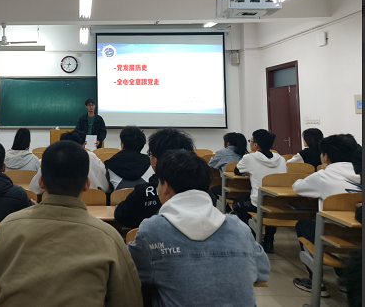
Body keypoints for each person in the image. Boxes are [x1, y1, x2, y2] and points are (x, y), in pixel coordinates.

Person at [0, 140, 143, 307]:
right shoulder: (110, 238)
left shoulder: (6, 228)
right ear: (86, 184)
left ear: (41, 182)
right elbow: (129, 300)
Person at [128, 149, 270, 307]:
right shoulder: (239, 227)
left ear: (165, 186)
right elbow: (263, 272)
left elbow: (129, 272)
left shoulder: (152, 230)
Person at [291, 134, 361, 296]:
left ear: (326, 156)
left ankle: (316, 281)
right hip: (359, 238)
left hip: (331, 238)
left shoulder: (323, 176)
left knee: (303, 224)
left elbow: (297, 187)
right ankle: (346, 280)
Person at [114, 128, 195, 229]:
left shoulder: (143, 192)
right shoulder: (201, 193)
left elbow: (121, 215)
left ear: (155, 161)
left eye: (150, 153)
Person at [232, 129, 287, 254]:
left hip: (258, 203)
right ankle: (269, 241)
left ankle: (251, 237)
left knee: (237, 204)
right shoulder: (281, 159)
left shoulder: (249, 158)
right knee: (271, 206)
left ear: (256, 145)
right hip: (278, 202)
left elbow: (237, 171)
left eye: (250, 141)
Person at [29, 130, 109, 194]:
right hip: (92, 203)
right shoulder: (91, 157)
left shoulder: (52, 157)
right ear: (83, 145)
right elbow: (105, 187)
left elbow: (33, 189)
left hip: (55, 204)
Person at [104, 126, 152, 190]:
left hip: (120, 196)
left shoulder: (110, 165)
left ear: (122, 145)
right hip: (145, 196)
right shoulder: (151, 163)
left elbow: (108, 190)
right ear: (142, 145)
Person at [209, 132, 248, 201]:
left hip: (229, 190)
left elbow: (211, 164)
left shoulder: (223, 152)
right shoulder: (246, 154)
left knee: (211, 190)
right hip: (246, 190)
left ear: (228, 143)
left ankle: (224, 207)